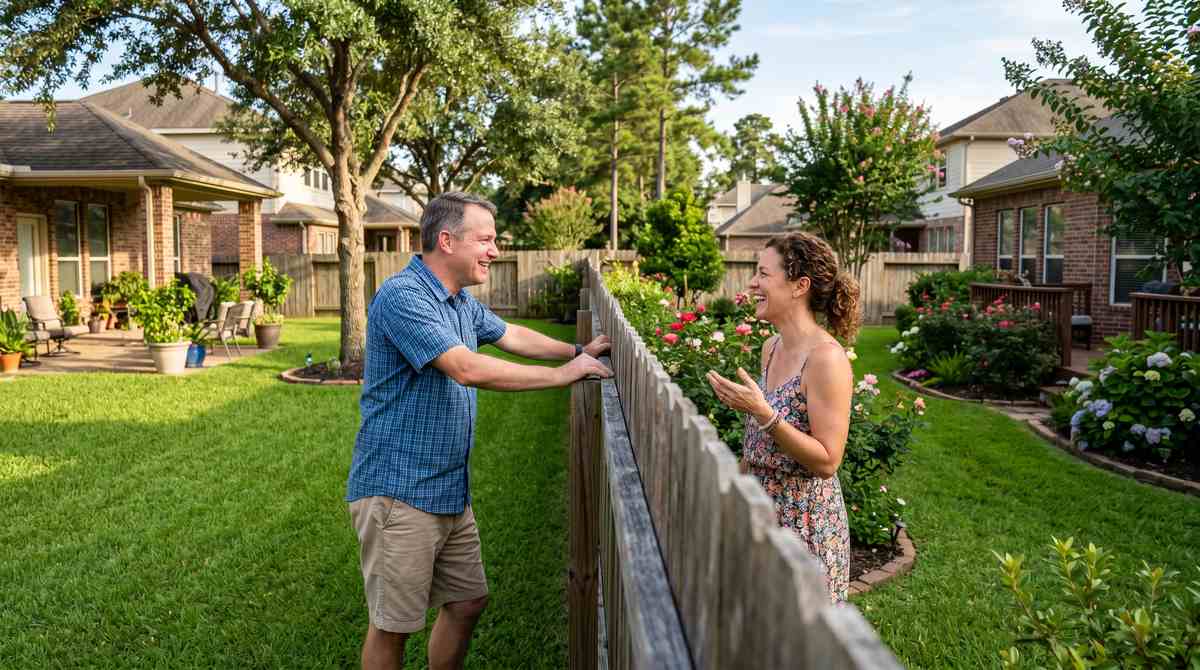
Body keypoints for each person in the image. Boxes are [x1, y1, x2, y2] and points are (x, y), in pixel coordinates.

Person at [346, 191, 612, 669]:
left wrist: (575, 352)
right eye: (486, 239)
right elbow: (466, 368)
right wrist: (560, 378)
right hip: (399, 491)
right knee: (393, 627)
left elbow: (510, 335)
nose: (494, 250)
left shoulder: (459, 302)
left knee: (468, 602)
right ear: (447, 241)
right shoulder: (404, 297)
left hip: (448, 490)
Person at [704, 232, 860, 602]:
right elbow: (759, 449)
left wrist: (763, 413)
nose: (753, 283)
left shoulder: (826, 358)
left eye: (763, 274)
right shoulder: (770, 348)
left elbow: (828, 460)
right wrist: (727, 490)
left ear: (799, 286)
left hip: (804, 529)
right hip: (760, 520)